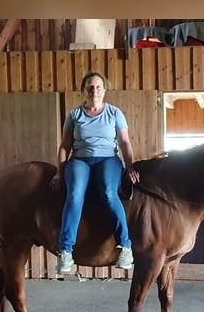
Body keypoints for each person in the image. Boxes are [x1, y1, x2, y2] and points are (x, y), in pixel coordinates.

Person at [51, 72, 140, 274]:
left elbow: (124, 141)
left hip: (108, 158)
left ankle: (125, 246)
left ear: (104, 91)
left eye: (98, 87)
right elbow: (65, 145)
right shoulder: (75, 115)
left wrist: (130, 165)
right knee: (74, 196)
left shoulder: (114, 113)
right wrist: (59, 171)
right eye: (90, 87)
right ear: (84, 91)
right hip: (80, 159)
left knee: (109, 193)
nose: (94, 90)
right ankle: (65, 251)